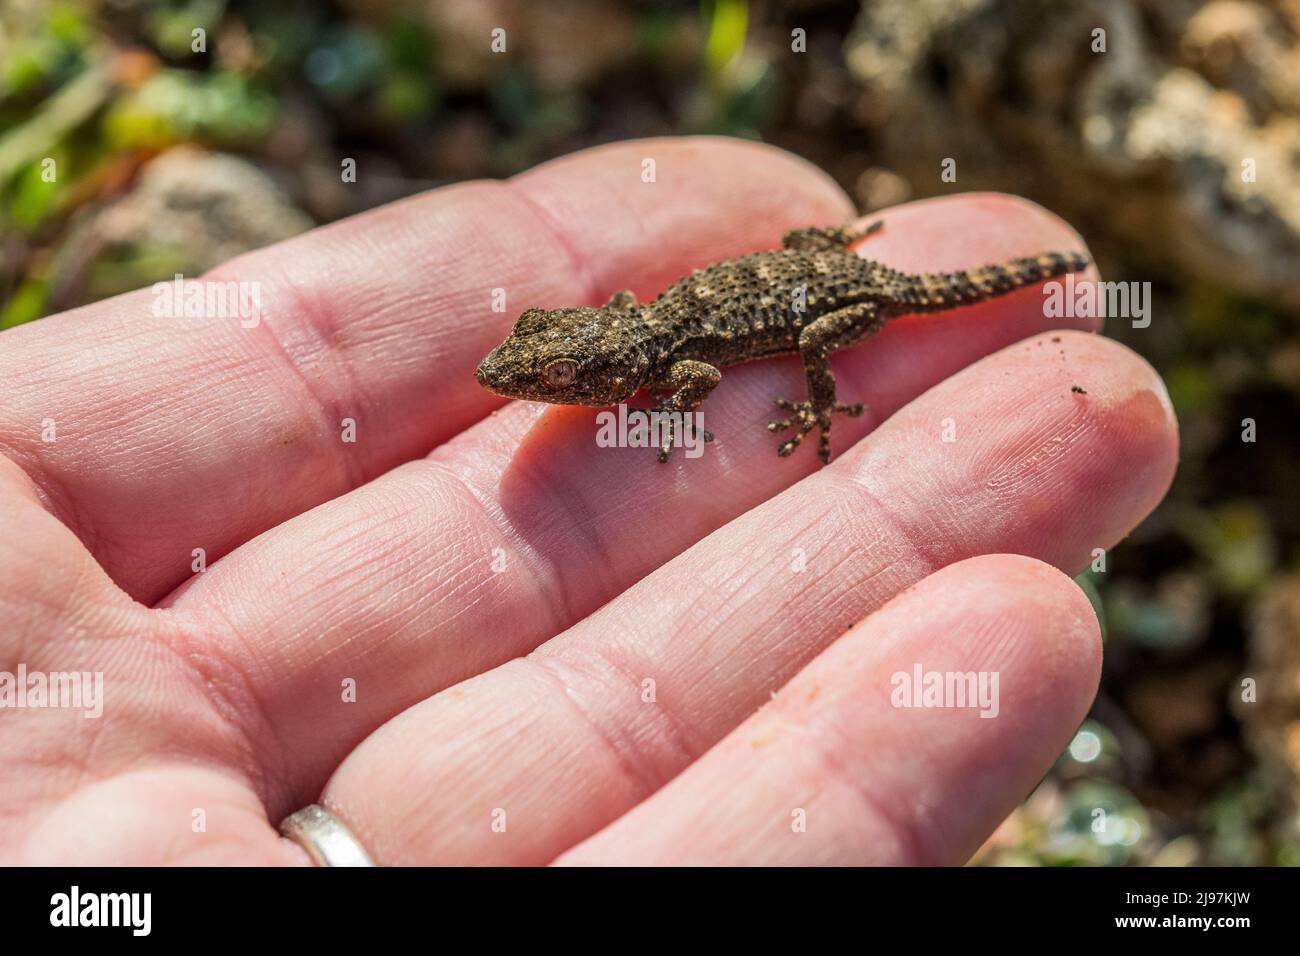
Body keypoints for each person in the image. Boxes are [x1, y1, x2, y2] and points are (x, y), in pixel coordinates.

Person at [0, 137, 1177, 865]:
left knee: (870, 313)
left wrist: (801, 404)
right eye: (538, 362)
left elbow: (711, 371)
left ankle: (1076, 280)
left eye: (549, 375)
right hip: (832, 257)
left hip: (851, 300)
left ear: (603, 367)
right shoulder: (621, 338)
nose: (528, 383)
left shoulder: (674, 364)